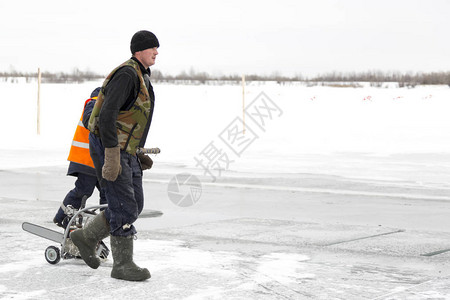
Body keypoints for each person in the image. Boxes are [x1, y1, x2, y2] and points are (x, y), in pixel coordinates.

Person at [70, 30, 159, 282]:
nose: (156, 52)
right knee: (124, 206)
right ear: (138, 50)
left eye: (157, 48)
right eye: (152, 48)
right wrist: (111, 155)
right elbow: (107, 115)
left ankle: (85, 237)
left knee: (135, 204)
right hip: (110, 147)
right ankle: (122, 265)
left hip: (125, 149)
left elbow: (131, 120)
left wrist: (138, 151)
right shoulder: (127, 74)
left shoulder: (141, 76)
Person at [53, 87, 106, 228]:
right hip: (86, 159)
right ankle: (63, 217)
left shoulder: (102, 106)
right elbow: (92, 122)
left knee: (107, 192)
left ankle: (105, 223)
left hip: (97, 161)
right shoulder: (94, 104)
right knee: (84, 189)